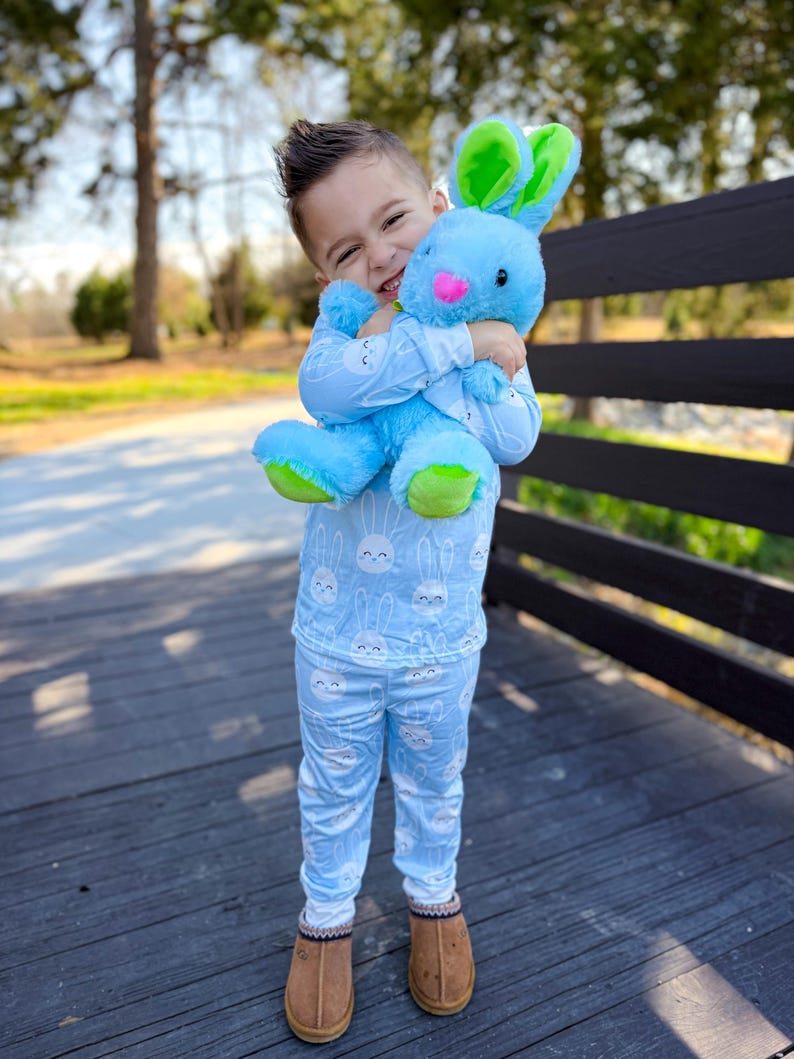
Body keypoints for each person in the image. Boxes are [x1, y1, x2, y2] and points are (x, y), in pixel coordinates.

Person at [272, 118, 542, 1044]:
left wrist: (480, 349)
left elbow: (514, 436)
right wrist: (455, 344)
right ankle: (326, 919)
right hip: (337, 634)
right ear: (324, 275)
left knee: (435, 775)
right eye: (348, 249)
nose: (382, 257)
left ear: (440, 206)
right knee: (334, 782)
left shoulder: (497, 318)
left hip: (440, 636)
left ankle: (434, 898)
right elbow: (332, 394)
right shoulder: (348, 332)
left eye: (395, 222)